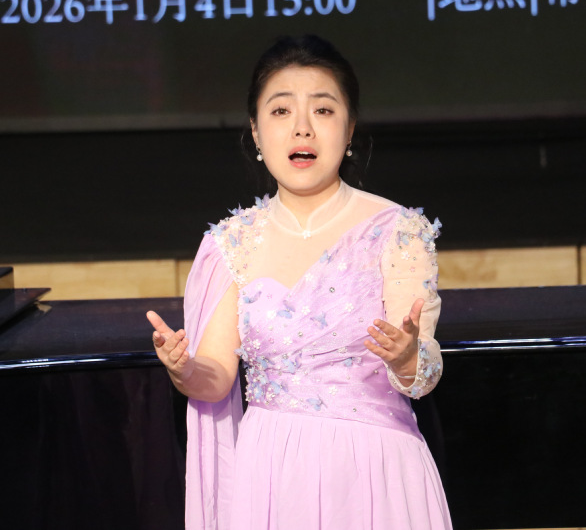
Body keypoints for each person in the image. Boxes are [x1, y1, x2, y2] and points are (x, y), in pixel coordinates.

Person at [146, 35, 452, 530]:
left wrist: (406, 357)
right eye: (281, 111)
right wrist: (183, 369)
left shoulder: (398, 230)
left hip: (374, 469)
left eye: (323, 110)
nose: (302, 127)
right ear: (256, 131)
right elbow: (215, 380)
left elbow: (424, 373)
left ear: (349, 129)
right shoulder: (231, 243)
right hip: (271, 474)